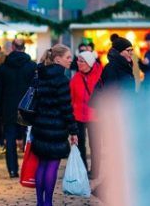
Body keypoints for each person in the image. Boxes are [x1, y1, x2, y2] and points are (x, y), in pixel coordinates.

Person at [31, 44, 79, 206]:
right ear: (57, 59)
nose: (70, 60)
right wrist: (73, 130)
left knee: (41, 165)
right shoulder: (61, 79)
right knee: (52, 165)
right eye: (68, 57)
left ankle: (39, 202)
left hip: (40, 126)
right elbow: (66, 107)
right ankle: (48, 203)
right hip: (56, 127)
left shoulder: (39, 75)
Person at [0, 38, 37, 178]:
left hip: (9, 108)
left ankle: (12, 169)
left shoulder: (3, 68)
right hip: (28, 107)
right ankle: (30, 168)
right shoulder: (31, 66)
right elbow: (35, 88)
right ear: (24, 48)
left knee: (10, 138)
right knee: (30, 137)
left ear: (12, 47)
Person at [70, 51, 102, 179]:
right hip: (79, 116)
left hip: (96, 116)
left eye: (81, 61)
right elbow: (71, 98)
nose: (78, 63)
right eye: (77, 60)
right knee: (80, 143)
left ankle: (95, 172)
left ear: (89, 63)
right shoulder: (75, 78)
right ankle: (83, 169)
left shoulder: (100, 76)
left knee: (95, 145)